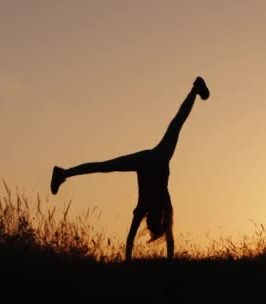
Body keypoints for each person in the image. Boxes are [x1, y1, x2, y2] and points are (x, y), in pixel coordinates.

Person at [50, 77, 210, 261]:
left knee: (105, 166)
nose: (156, 220)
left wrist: (128, 261)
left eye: (154, 222)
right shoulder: (164, 207)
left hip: (150, 160)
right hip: (157, 158)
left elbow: (131, 239)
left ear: (152, 220)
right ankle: (63, 173)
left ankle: (63, 173)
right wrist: (167, 262)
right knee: (176, 124)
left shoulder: (146, 208)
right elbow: (168, 240)